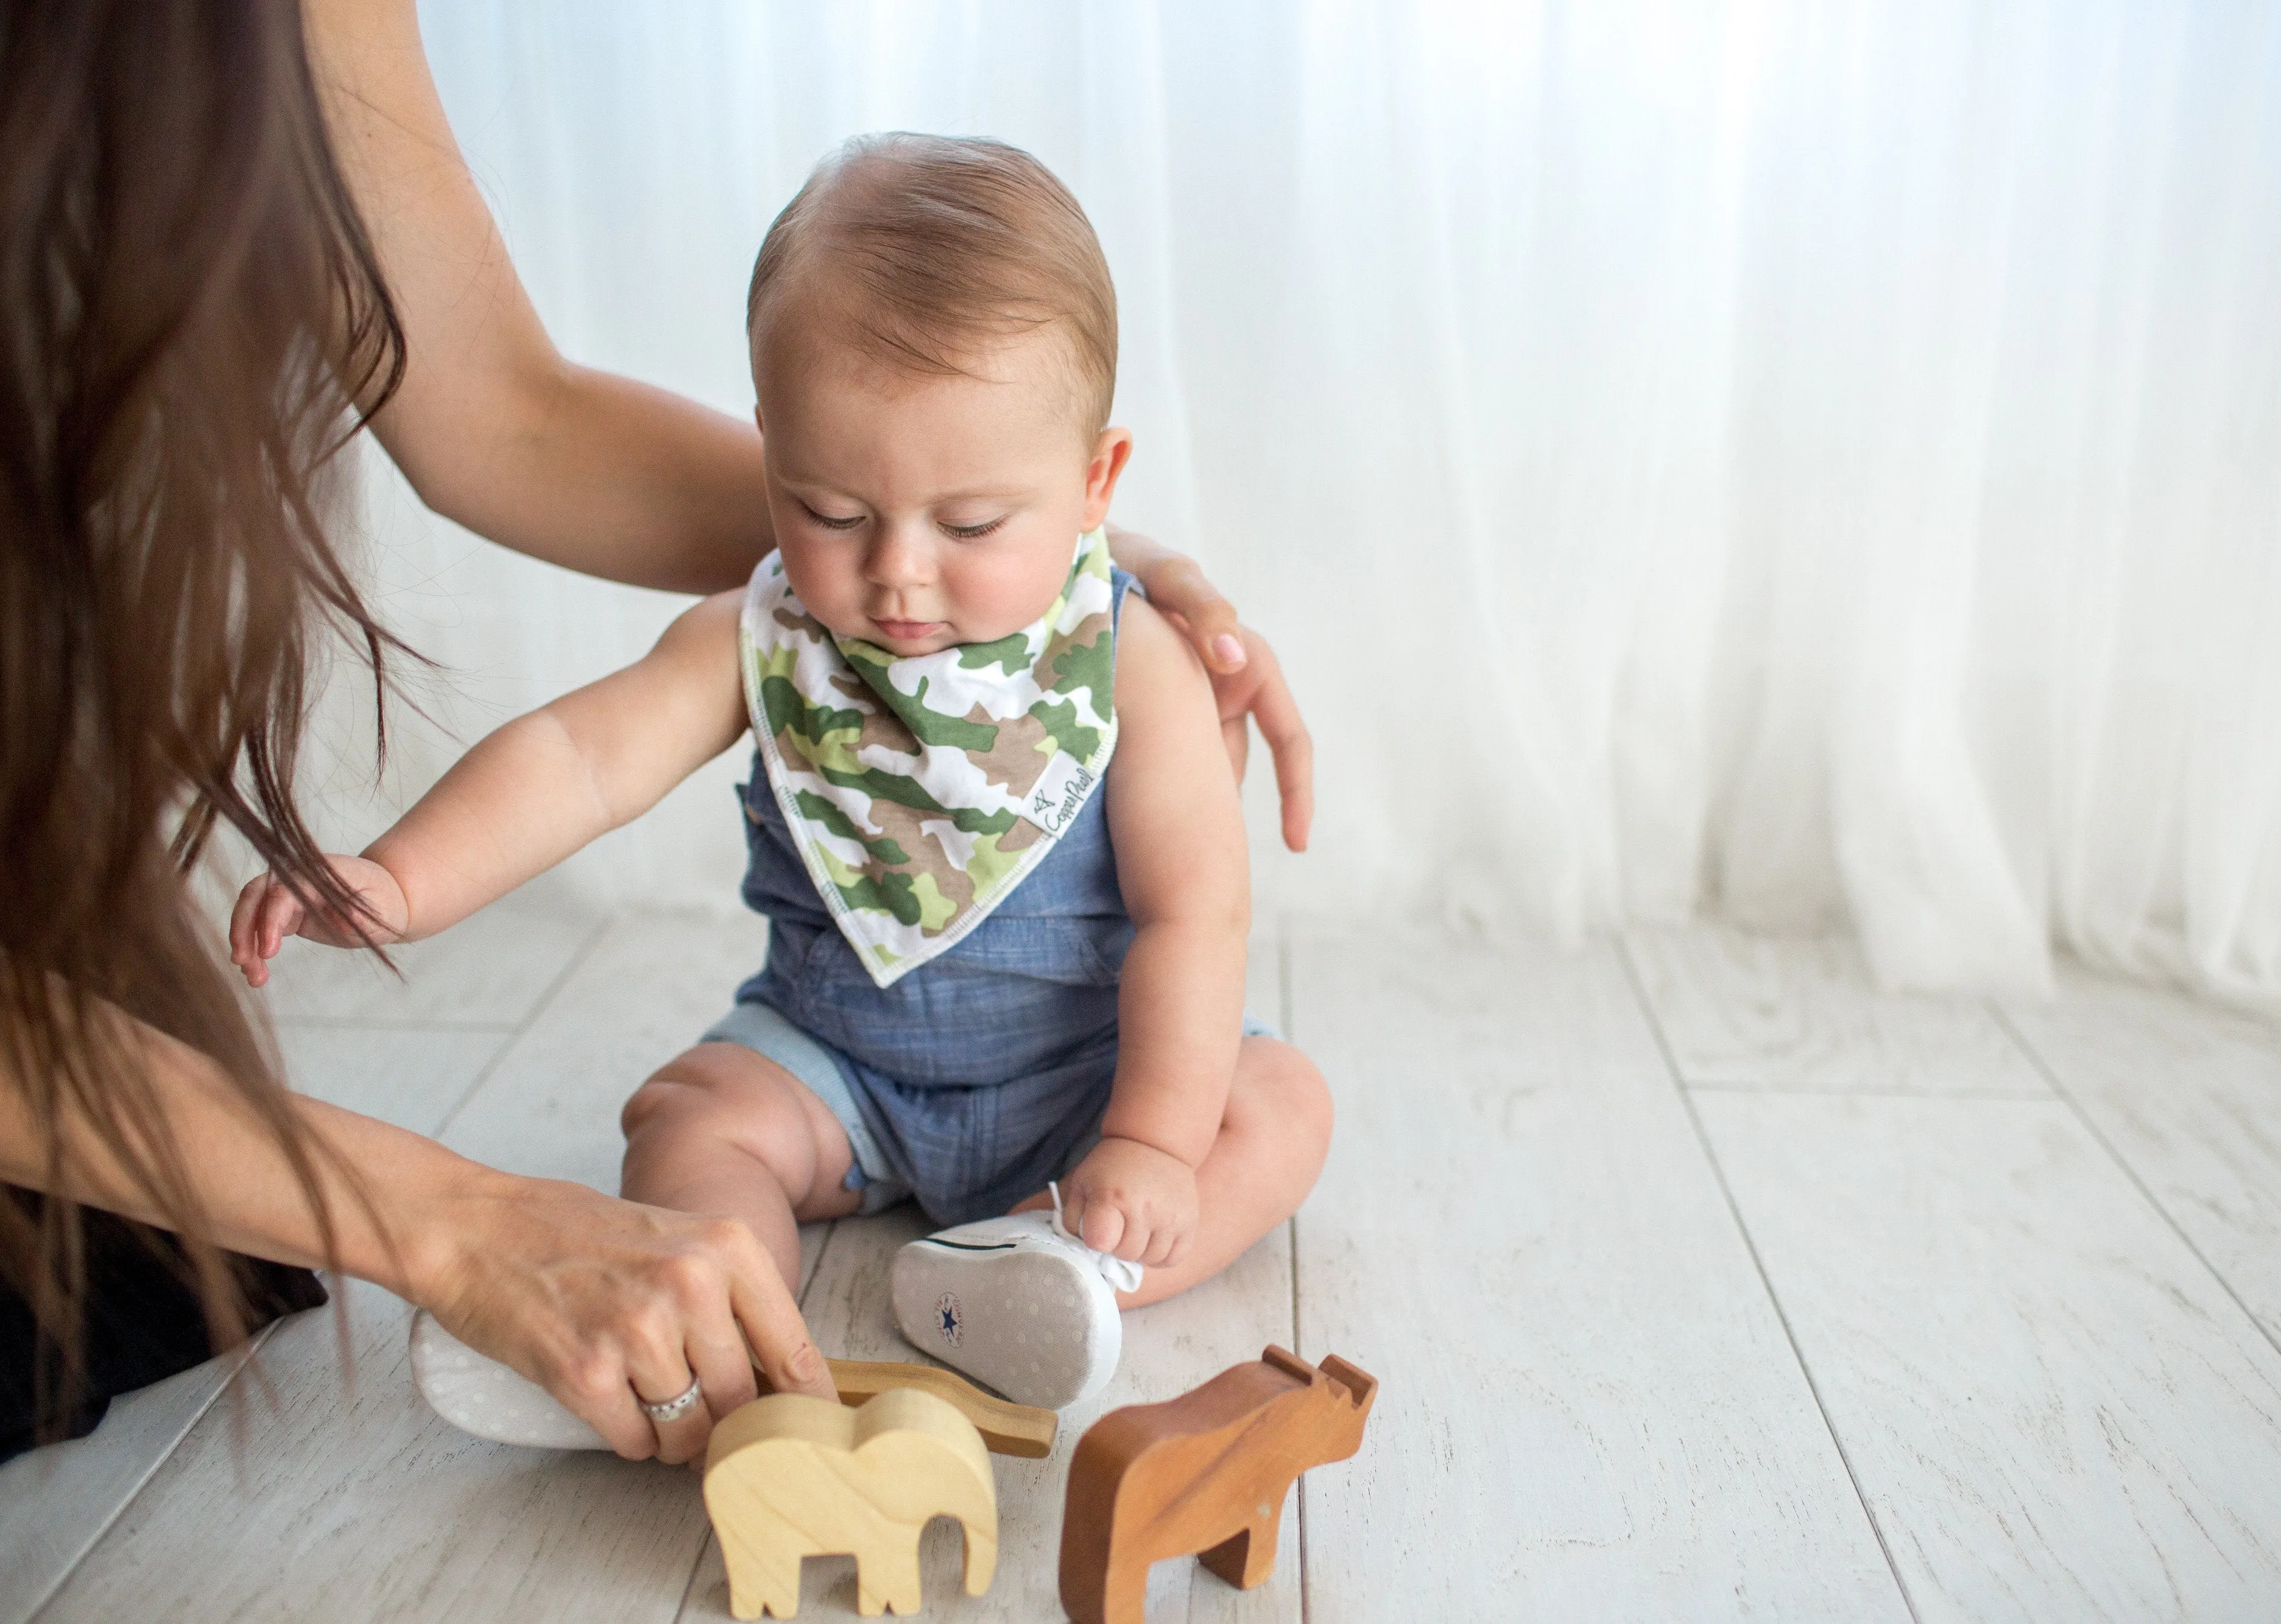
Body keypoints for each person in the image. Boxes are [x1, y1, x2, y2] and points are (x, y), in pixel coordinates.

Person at [1, 0, 1313, 1468]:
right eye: (829, 507)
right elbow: (580, 757)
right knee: (692, 1114)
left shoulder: (1121, 659)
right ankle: (719, 1341)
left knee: (1271, 1107)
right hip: (841, 1070)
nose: (896, 573)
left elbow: (1194, 911)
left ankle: (1050, 1269)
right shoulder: (767, 632)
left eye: (972, 521)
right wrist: (397, 875)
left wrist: (1140, 1138)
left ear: (1093, 482)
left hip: (1082, 1068)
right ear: (770, 459)